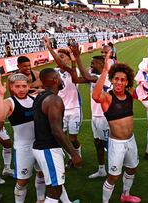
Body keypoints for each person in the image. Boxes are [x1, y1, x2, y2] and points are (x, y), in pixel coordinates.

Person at [92, 60, 141, 203]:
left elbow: (142, 95)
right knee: (114, 176)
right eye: (116, 79)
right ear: (112, 80)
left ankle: (125, 195)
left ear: (127, 82)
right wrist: (105, 71)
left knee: (132, 169)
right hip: (117, 144)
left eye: (123, 80)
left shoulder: (129, 94)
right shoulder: (107, 97)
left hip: (131, 140)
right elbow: (95, 96)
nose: (119, 82)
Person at [32, 68, 82, 202]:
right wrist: (74, 153)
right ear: (54, 79)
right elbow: (57, 131)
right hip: (48, 149)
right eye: (59, 77)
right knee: (55, 190)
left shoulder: (41, 96)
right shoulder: (54, 100)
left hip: (42, 147)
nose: (61, 79)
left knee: (57, 182)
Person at [0, 73, 45, 203]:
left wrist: (42, 90)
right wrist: (0, 94)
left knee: (41, 174)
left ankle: (40, 199)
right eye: (17, 86)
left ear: (29, 86)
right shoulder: (10, 102)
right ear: (12, 87)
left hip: (39, 145)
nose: (21, 89)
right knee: (23, 180)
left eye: (24, 86)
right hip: (23, 148)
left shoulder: (35, 98)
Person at [69, 43, 112, 179]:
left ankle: (115, 168)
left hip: (105, 117)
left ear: (101, 65)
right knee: (98, 143)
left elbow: (87, 77)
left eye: (93, 64)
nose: (91, 66)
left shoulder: (104, 77)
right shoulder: (94, 76)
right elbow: (76, 79)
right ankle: (102, 170)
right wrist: (73, 64)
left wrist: (78, 57)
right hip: (95, 116)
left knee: (109, 144)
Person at [44, 37, 83, 167]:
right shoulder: (54, 73)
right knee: (62, 137)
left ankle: (78, 153)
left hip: (74, 109)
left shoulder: (74, 71)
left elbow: (62, 65)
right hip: (60, 110)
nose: (61, 59)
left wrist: (49, 48)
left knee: (73, 138)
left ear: (68, 58)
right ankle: (71, 158)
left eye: (63, 57)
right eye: (59, 56)